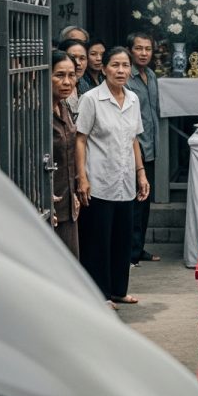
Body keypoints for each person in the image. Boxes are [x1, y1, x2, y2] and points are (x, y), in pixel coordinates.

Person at [75, 46, 150, 308]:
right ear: (104, 68)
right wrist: (81, 177)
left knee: (121, 238)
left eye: (125, 66)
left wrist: (141, 173)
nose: (121, 70)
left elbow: (133, 140)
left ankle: (119, 290)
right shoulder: (91, 99)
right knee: (98, 241)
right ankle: (100, 294)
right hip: (99, 180)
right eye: (115, 65)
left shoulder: (133, 100)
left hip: (125, 179)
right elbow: (80, 139)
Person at [125, 32, 160, 266]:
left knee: (144, 202)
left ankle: (138, 248)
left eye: (148, 49)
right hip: (134, 148)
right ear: (130, 50)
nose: (144, 53)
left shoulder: (151, 75)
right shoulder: (126, 78)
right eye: (139, 48)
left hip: (150, 146)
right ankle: (129, 252)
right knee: (134, 204)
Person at [51, 51, 80, 258]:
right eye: (60, 75)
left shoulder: (64, 106)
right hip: (47, 204)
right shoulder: (34, 109)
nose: (67, 82)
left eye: (72, 75)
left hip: (68, 203)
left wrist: (75, 192)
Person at [58, 38, 88, 119]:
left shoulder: (84, 86)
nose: (78, 63)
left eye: (82, 58)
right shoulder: (56, 88)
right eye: (73, 58)